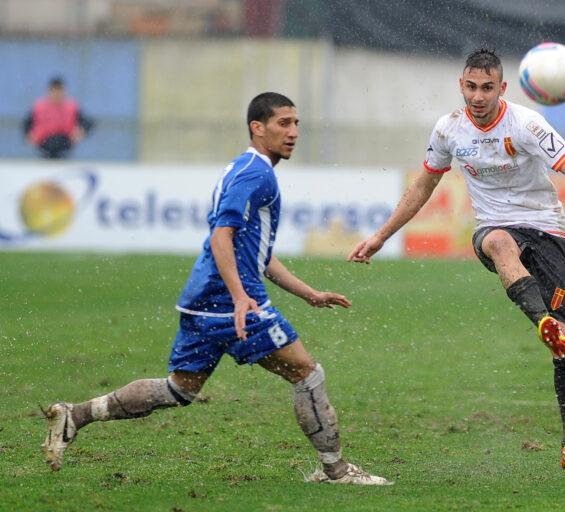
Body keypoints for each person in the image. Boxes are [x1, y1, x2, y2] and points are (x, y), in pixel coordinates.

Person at [42, 92, 391, 486]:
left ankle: (76, 414)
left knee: (179, 389)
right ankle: (336, 471)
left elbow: (253, 251)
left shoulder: (242, 169)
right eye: (283, 124)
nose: (293, 132)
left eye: (297, 124)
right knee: (307, 374)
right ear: (257, 128)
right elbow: (222, 236)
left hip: (203, 300)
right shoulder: (256, 175)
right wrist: (242, 296)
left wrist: (307, 292)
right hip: (233, 303)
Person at [348, 48, 565, 476]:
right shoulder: (449, 129)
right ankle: (540, 320)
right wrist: (380, 236)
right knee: (500, 243)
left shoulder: (526, 124)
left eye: (487, 87)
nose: (478, 95)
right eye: (471, 86)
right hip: (495, 228)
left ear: (502, 88)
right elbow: (422, 187)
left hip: (548, 233)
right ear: (461, 85)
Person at [23, 76, 94, 159]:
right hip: (44, 146)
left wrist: (81, 131)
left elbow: (88, 122)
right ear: (49, 91)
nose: (57, 94)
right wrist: (29, 135)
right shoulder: (39, 107)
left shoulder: (72, 107)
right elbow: (26, 124)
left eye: (59, 90)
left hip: (65, 145)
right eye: (54, 90)